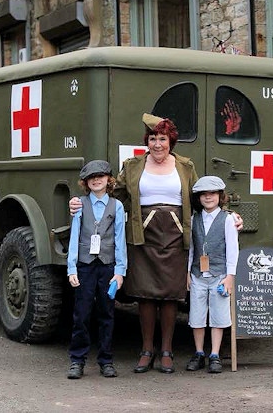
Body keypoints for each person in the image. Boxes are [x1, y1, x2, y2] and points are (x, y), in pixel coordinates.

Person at [69, 113, 243, 374]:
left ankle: (167, 351)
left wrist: (231, 213)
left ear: (171, 141)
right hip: (144, 237)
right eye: (152, 139)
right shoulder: (133, 165)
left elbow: (202, 196)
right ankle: (146, 350)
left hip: (175, 238)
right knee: (145, 295)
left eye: (162, 138)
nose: (157, 144)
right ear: (147, 142)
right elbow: (110, 192)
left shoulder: (185, 165)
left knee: (171, 295)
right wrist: (77, 202)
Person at [66, 160, 126, 379]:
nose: (97, 180)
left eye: (101, 176)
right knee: (81, 314)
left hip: (107, 266)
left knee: (106, 313)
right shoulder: (80, 204)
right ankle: (77, 360)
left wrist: (120, 271)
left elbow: (120, 240)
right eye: (92, 177)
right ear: (86, 182)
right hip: (85, 266)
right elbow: (74, 236)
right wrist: (71, 267)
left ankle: (106, 359)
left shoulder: (116, 206)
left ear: (109, 180)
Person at [185, 176, 239, 374]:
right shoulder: (194, 219)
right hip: (198, 274)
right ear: (199, 198)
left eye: (212, 194)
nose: (208, 197)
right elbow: (191, 248)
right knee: (197, 315)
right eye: (204, 194)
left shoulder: (228, 219)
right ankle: (199, 352)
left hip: (219, 275)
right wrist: (188, 272)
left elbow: (233, 249)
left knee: (218, 314)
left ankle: (214, 354)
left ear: (220, 196)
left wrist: (230, 276)